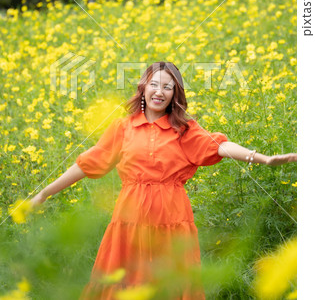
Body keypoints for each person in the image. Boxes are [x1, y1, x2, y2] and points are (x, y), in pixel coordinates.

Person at [30, 61, 297, 299]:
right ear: (143, 89)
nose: (160, 91)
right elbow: (87, 164)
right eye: (154, 84)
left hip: (172, 219)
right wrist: (44, 193)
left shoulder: (184, 129)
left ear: (175, 95)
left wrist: (262, 158)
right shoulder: (122, 127)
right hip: (130, 219)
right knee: (123, 282)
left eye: (168, 87)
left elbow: (218, 146)